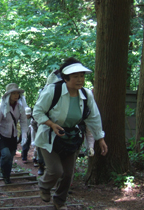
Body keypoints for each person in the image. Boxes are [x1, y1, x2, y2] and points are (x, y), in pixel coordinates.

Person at [33, 57, 108, 209]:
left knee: (67, 174)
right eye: (75, 76)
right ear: (66, 78)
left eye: (82, 76)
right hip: (49, 136)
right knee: (55, 170)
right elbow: (37, 112)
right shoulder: (53, 91)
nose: (80, 79)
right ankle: (44, 186)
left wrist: (100, 138)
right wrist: (52, 124)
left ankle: (59, 201)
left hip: (71, 138)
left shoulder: (86, 95)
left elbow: (94, 117)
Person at [0, 83, 28, 184]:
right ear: (9, 95)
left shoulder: (20, 107)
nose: (16, 95)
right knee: (6, 154)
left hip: (13, 136)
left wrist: (24, 134)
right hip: (3, 135)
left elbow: (23, 122)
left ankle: (5, 172)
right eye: (13, 93)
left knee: (10, 156)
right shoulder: (2, 107)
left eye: (17, 93)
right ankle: (5, 174)